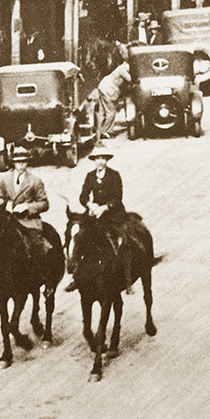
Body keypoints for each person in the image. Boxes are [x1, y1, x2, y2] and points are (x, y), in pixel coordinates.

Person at [0, 146, 51, 298]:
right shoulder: (5, 179)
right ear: (13, 163)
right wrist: (2, 203)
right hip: (9, 218)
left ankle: (43, 277)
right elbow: (1, 197)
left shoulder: (35, 181)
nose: (21, 165)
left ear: (27, 163)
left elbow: (44, 203)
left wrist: (27, 207)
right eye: (18, 162)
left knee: (38, 245)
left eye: (24, 162)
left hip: (28, 221)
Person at [68, 143, 131, 292]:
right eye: (97, 158)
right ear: (94, 160)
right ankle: (75, 275)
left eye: (103, 158)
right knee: (79, 236)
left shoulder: (114, 175)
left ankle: (127, 279)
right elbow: (83, 196)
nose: (100, 161)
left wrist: (104, 207)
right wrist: (90, 205)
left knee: (121, 240)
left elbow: (117, 197)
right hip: (94, 213)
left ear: (107, 160)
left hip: (113, 215)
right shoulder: (90, 176)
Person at [91, 59, 131, 141]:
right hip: (108, 89)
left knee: (103, 112)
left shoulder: (121, 68)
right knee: (111, 112)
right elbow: (130, 79)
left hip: (104, 87)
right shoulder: (122, 70)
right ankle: (105, 132)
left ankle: (100, 131)